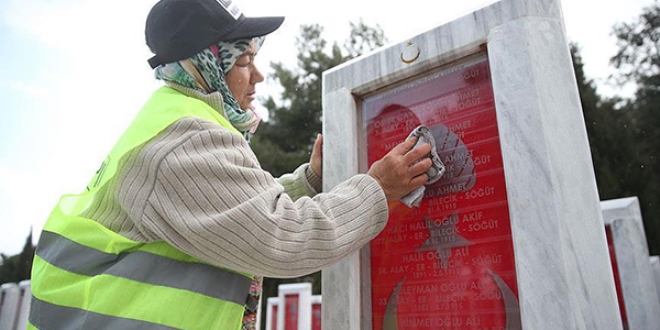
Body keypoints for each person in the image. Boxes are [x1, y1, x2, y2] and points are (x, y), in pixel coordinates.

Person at [28, 0, 433, 329]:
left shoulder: (171, 120)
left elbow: (226, 212)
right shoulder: (186, 139)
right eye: (242, 62)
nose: (257, 76)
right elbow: (282, 237)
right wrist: (379, 187)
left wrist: (310, 181)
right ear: (204, 67)